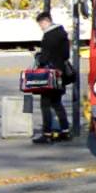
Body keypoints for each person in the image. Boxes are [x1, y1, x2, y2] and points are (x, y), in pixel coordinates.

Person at [32, 10, 74, 144]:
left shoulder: (49, 36)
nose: (41, 27)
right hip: (60, 72)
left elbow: (44, 57)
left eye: (40, 25)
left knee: (45, 104)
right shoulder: (62, 34)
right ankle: (65, 130)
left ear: (45, 22)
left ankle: (47, 133)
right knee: (57, 103)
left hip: (49, 74)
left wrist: (38, 57)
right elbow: (66, 55)